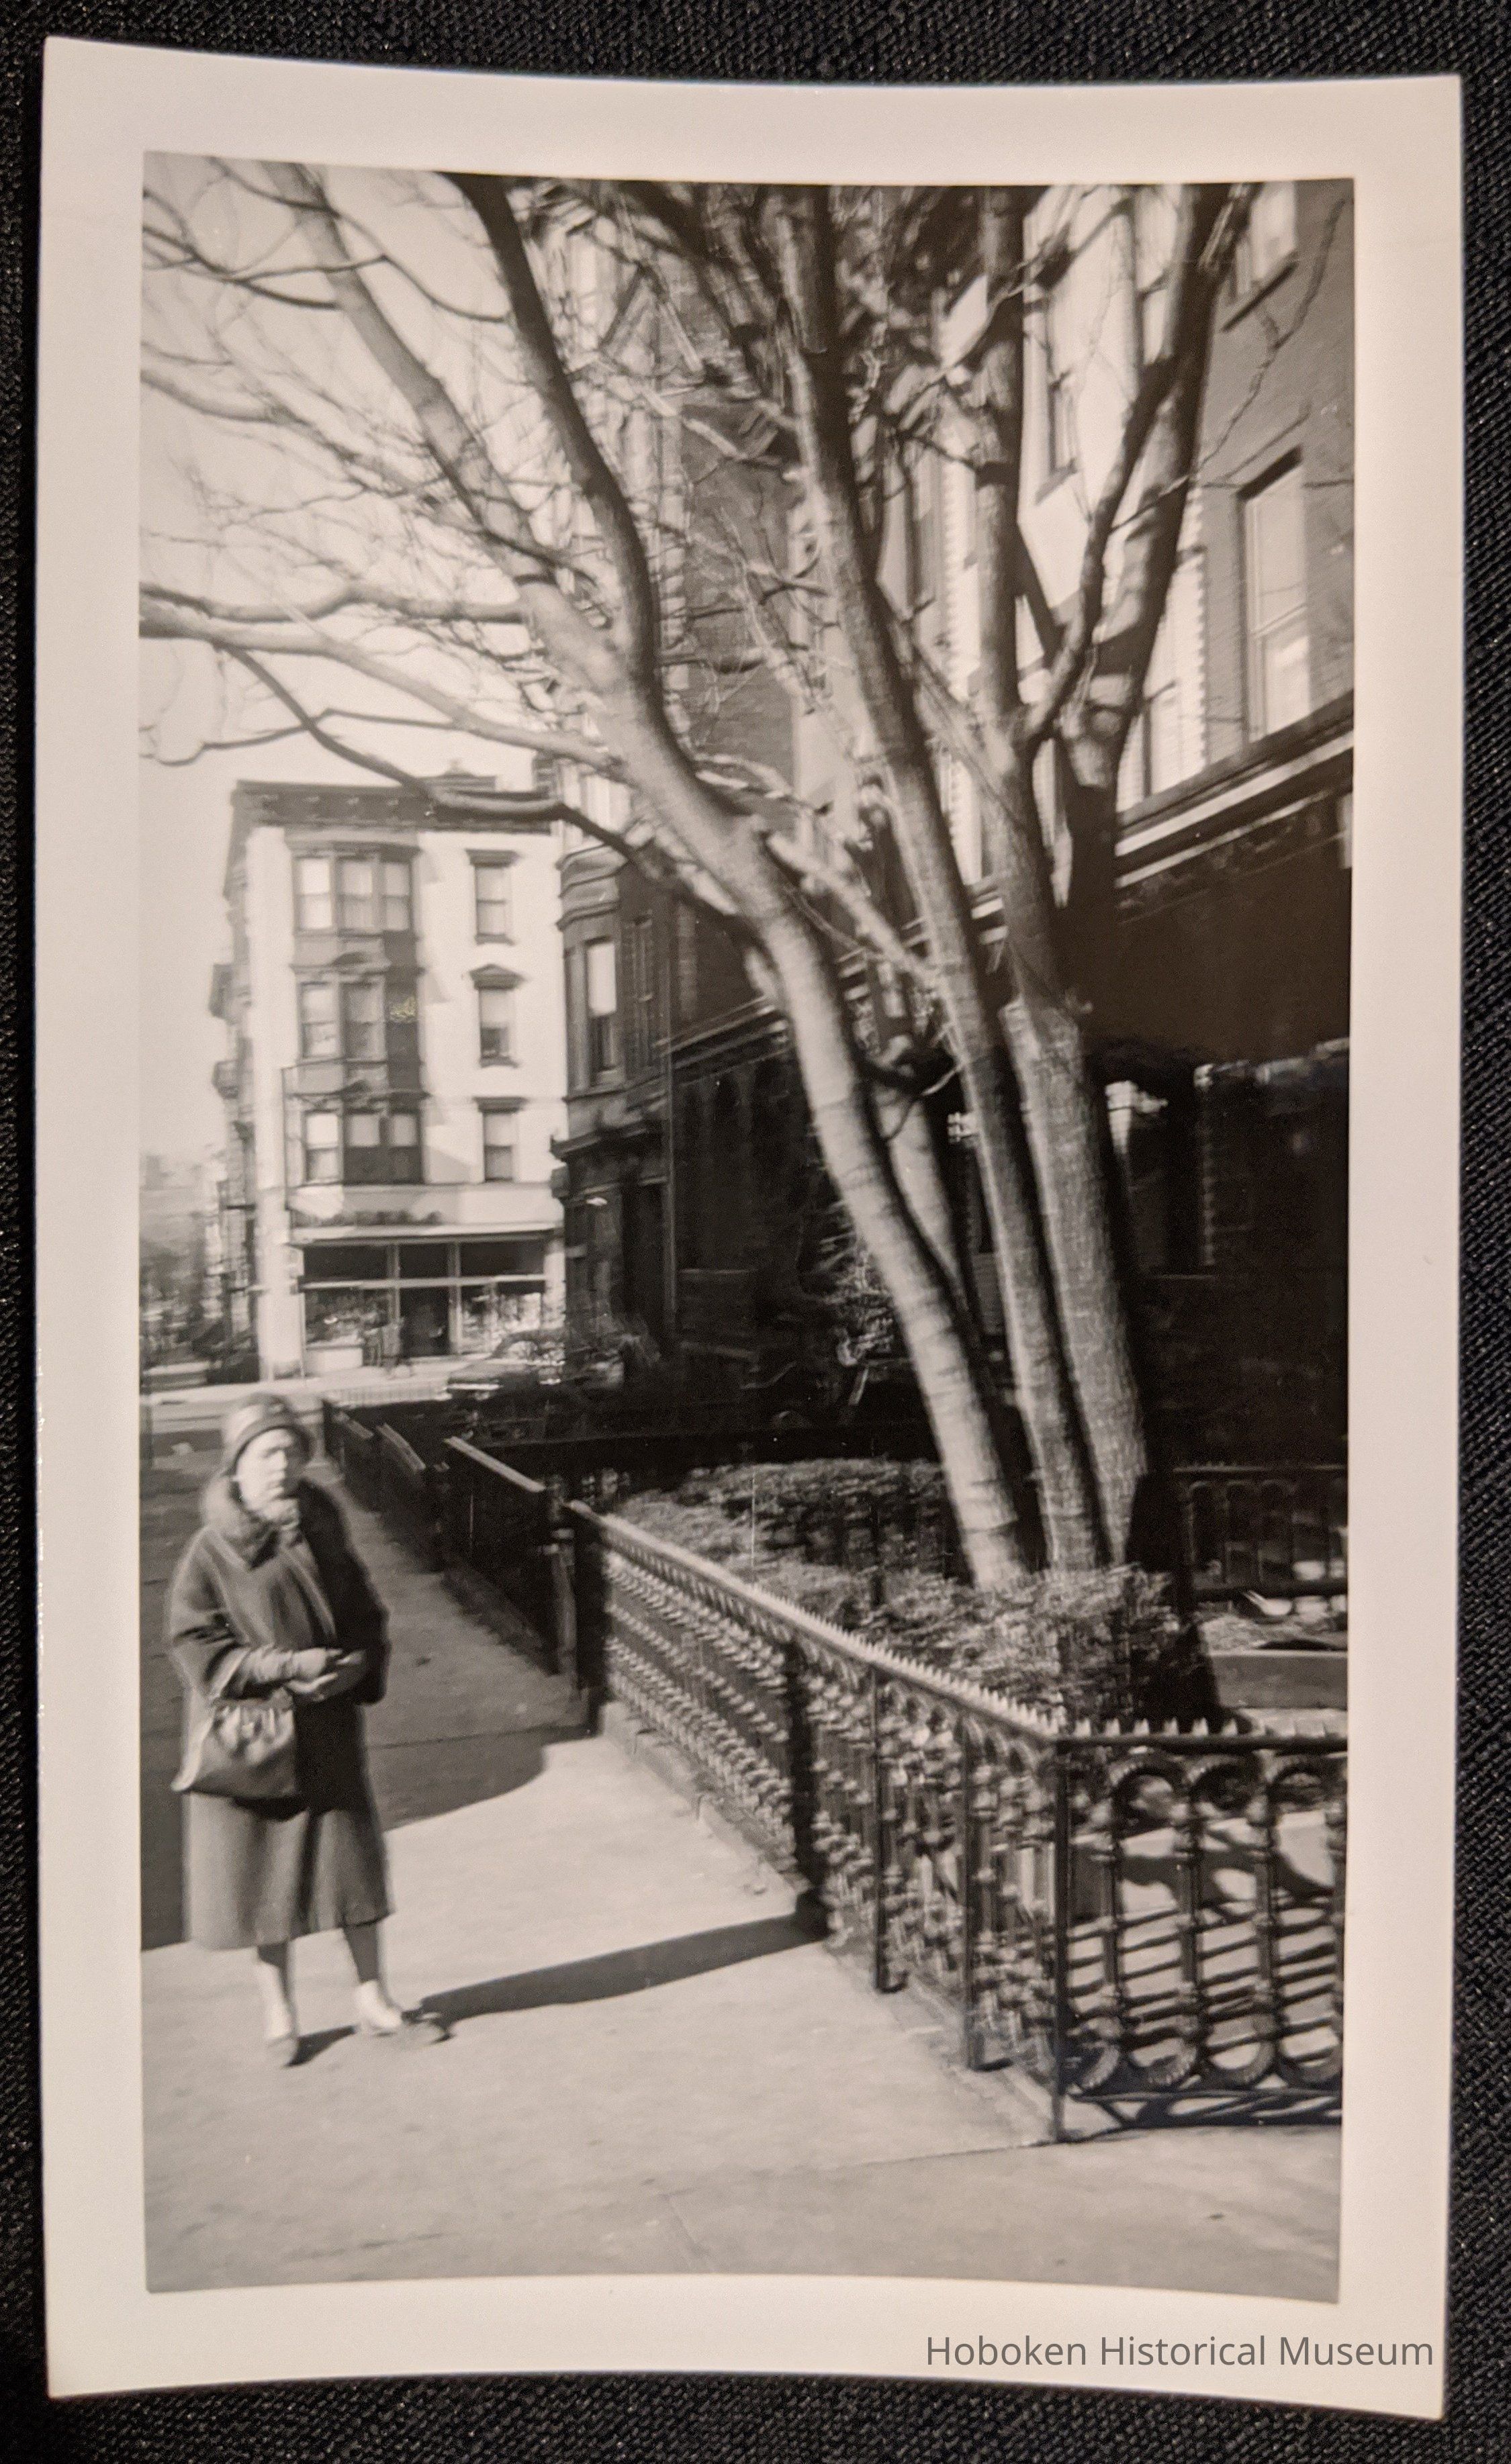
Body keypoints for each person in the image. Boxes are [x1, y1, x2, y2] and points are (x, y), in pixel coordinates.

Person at [167, 1394, 444, 2064]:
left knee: (352, 1869)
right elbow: (194, 1644)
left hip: (327, 1730)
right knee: (268, 1880)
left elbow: (365, 1610)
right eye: (267, 1452)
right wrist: (284, 1667)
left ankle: (375, 1998)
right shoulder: (213, 1549)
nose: (282, 1463)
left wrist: (356, 1665)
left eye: (290, 1449)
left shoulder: (323, 1525)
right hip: (258, 1740)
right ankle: (279, 2015)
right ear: (237, 1466)